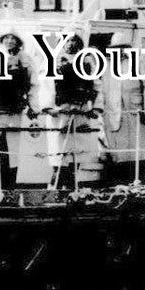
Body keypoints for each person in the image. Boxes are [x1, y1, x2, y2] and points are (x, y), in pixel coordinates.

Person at [0, 31, 40, 193]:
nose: (10, 41)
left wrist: (33, 107)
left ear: (18, 42)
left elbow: (33, 84)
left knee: (12, 152)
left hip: (15, 111)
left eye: (13, 38)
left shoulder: (26, 60)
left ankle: (9, 188)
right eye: (7, 38)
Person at [101, 31, 145, 183]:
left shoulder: (138, 61)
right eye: (116, 48)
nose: (119, 51)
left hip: (135, 113)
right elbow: (102, 89)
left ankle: (137, 182)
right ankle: (119, 185)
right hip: (114, 114)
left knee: (137, 151)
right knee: (117, 153)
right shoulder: (106, 66)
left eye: (122, 47)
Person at [47, 34, 99, 189]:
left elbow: (96, 85)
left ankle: (72, 185)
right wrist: (49, 107)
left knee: (77, 148)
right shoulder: (54, 61)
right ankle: (55, 185)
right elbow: (47, 85)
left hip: (80, 109)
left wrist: (95, 107)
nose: (71, 44)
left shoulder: (87, 61)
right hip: (61, 110)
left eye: (74, 40)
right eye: (67, 40)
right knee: (58, 150)